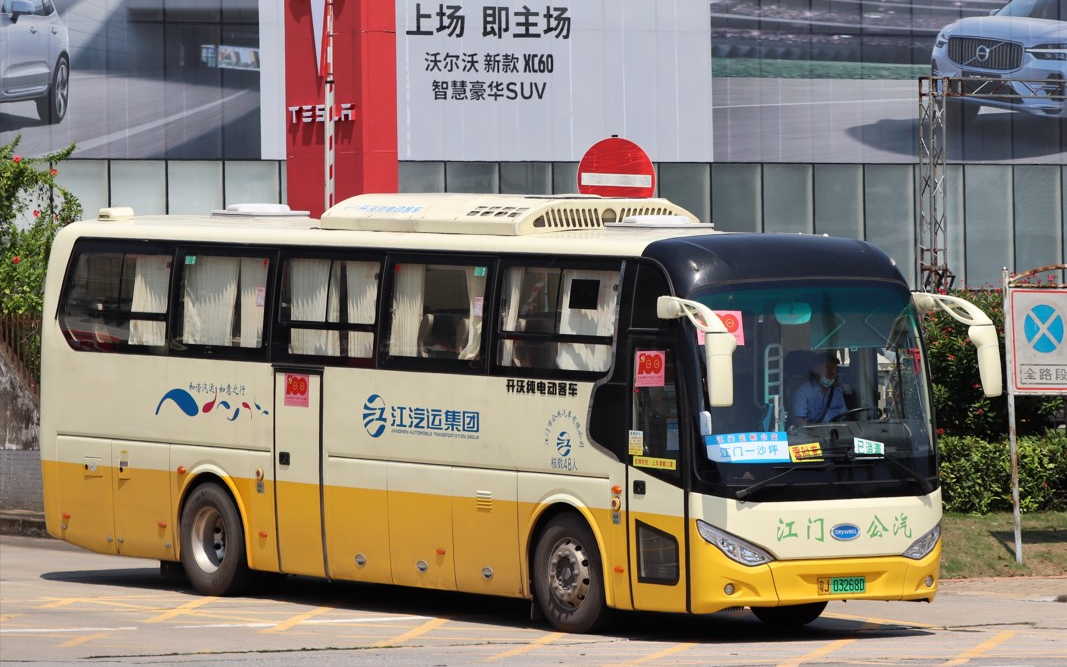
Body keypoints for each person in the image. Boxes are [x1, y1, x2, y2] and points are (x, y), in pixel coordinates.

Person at [791, 353, 848, 424]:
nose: (832, 373)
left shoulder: (837, 394)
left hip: (836, 433)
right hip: (813, 434)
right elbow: (798, 421)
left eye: (835, 369)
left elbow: (844, 418)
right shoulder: (803, 393)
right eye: (828, 369)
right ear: (815, 370)